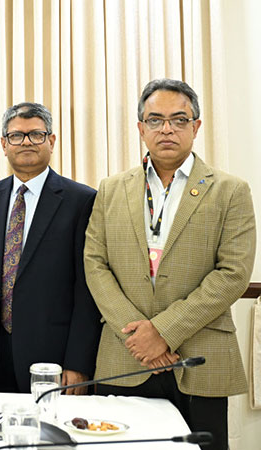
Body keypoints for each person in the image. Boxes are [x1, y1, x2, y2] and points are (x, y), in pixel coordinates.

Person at [83, 78, 255, 450]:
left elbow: (234, 274)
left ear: (196, 126)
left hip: (200, 357)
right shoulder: (111, 189)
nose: (167, 129)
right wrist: (139, 336)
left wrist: (163, 331)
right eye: (155, 120)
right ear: (140, 128)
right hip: (125, 355)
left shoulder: (230, 190)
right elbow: (95, 263)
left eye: (179, 120)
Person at [0, 102, 101, 394]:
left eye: (36, 134)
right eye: (16, 136)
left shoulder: (81, 200)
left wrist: (78, 361)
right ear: (4, 144)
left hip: (53, 357)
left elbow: (87, 289)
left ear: (51, 141)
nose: (26, 142)